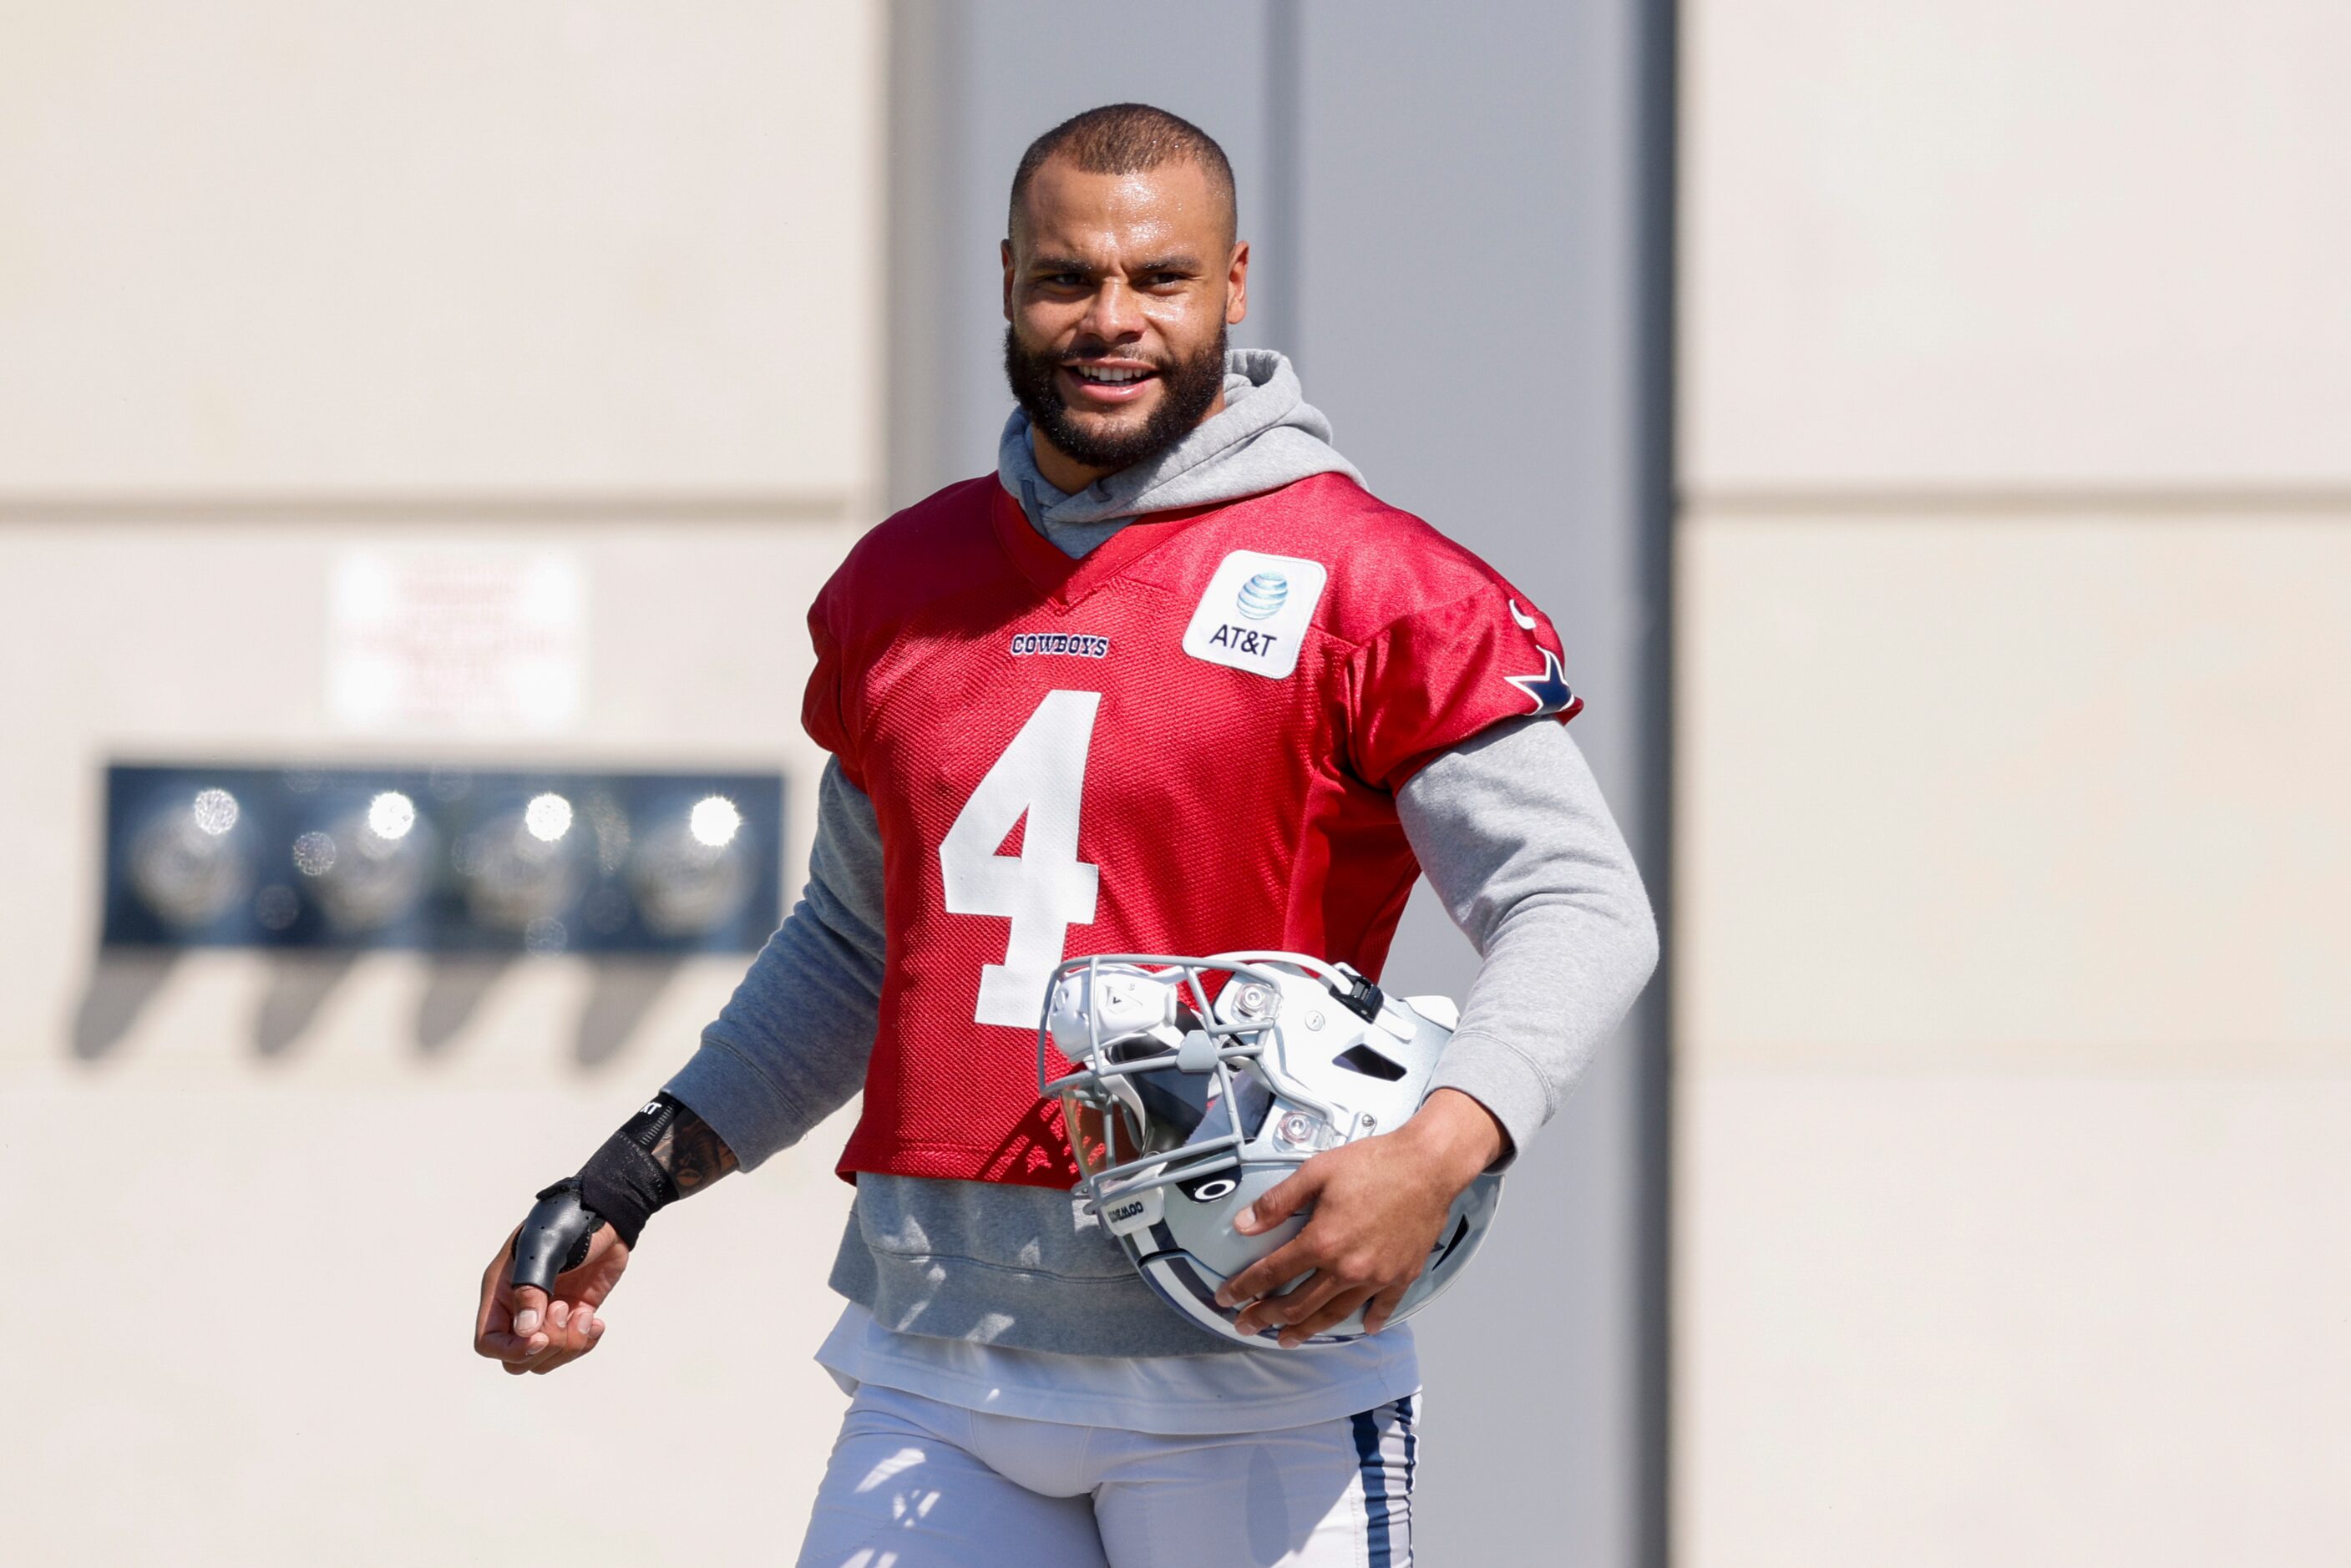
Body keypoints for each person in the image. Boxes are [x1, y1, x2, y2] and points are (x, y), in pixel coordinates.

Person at [472, 102, 1657, 1566]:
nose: (1112, 320)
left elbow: (1581, 898)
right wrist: (626, 1180)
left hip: (1252, 1364)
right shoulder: (905, 580)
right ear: (1009, 281)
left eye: (1158, 279)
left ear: (1233, 282)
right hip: (938, 1362)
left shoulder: (1376, 580)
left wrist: (1446, 1144)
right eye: (1067, 279)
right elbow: (859, 946)